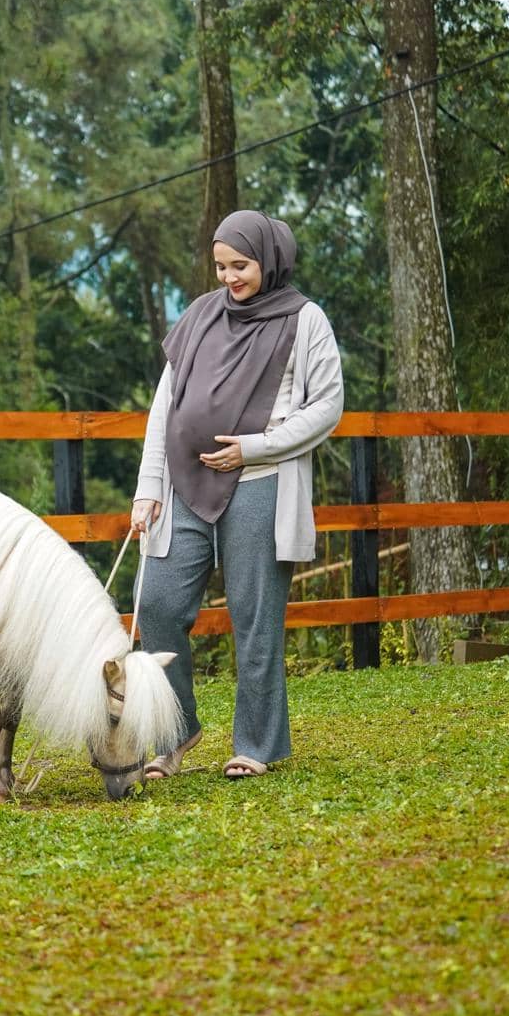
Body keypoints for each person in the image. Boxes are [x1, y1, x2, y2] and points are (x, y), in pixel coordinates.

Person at [130, 209, 343, 780]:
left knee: (255, 617)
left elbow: (326, 407)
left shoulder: (305, 320)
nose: (229, 277)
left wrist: (254, 447)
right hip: (182, 484)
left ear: (269, 260)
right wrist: (149, 488)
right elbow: (165, 407)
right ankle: (176, 730)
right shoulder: (201, 314)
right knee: (157, 604)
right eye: (221, 266)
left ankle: (258, 744)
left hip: (260, 481)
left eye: (240, 265)